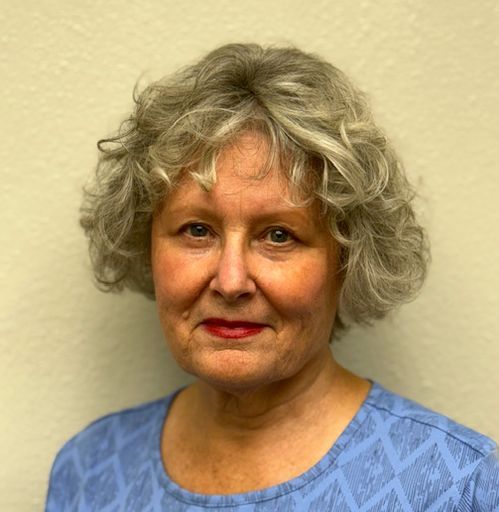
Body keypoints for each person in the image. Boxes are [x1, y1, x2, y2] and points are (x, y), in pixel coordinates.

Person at [45, 43, 499, 511]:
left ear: (348, 259)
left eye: (279, 235)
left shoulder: (456, 485)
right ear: (146, 245)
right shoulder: (89, 471)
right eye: (197, 230)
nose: (231, 281)